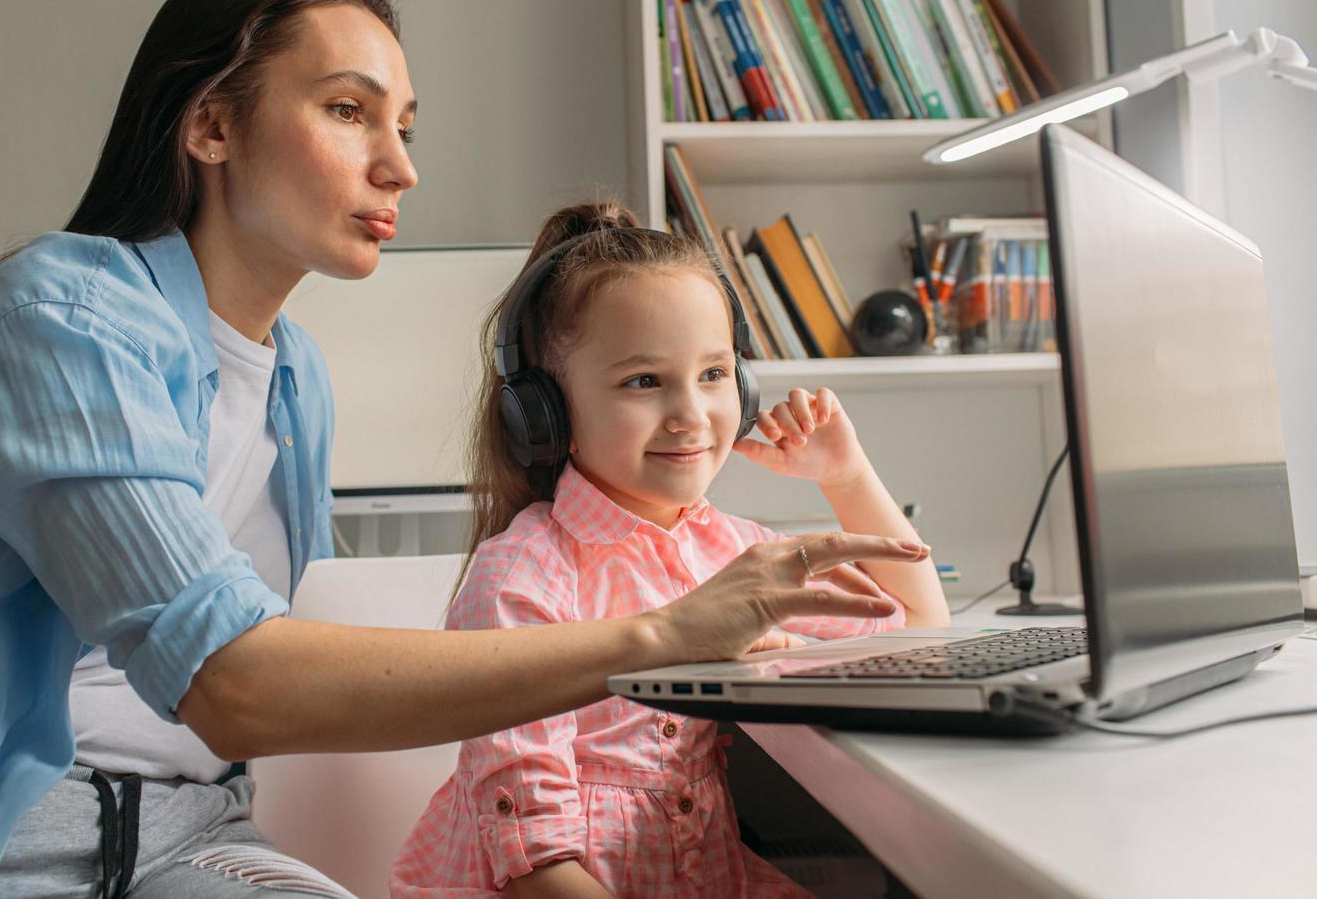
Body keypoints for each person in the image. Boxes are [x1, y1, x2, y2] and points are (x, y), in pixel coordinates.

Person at [0, 0, 928, 899]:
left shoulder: (295, 378)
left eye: (405, 126)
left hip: (190, 837)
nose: (402, 166)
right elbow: (233, 682)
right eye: (349, 111)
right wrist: (660, 637)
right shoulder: (60, 319)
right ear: (212, 123)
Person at [390, 203, 949, 898]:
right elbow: (533, 859)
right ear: (547, 414)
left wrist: (846, 476)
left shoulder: (729, 550)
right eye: (644, 381)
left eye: (714, 374)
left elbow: (918, 628)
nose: (691, 414)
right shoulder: (521, 579)